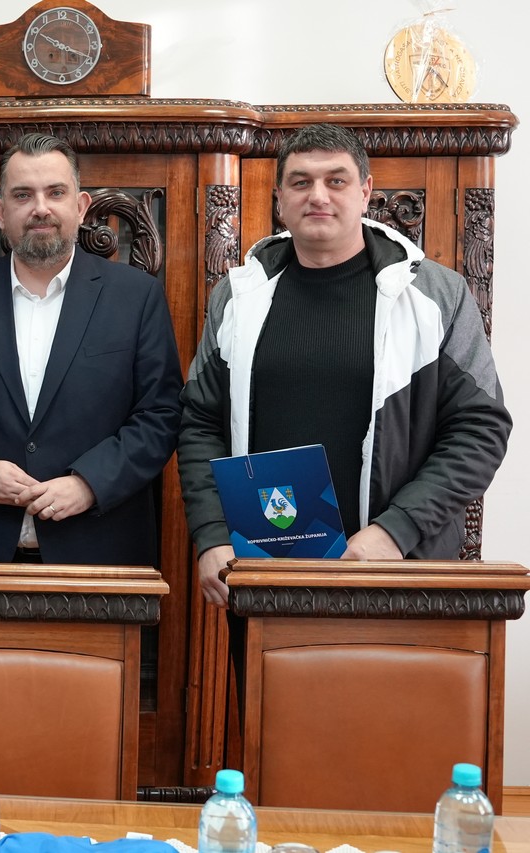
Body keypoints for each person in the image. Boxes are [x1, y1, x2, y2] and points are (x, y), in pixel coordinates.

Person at [179, 122, 513, 607]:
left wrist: (397, 530)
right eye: (301, 182)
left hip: (397, 570)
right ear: (279, 199)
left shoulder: (436, 295)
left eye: (336, 180)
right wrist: (212, 534)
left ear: (365, 192)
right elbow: (199, 424)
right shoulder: (236, 297)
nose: (318, 195)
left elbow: (481, 429)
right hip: (264, 572)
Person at [0, 132, 183, 566]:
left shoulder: (136, 296)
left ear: (81, 207)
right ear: (0, 212)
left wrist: (89, 483)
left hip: (100, 554)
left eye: (56, 192)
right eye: (23, 195)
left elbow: (160, 414)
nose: (40, 208)